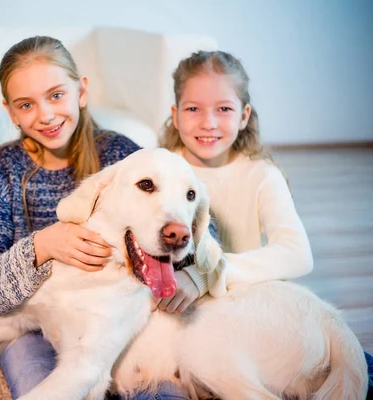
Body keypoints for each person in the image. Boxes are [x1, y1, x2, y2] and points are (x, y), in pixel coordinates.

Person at [0, 36, 189, 399]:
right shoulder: (1, 172)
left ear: (81, 91)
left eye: (55, 95)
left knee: (162, 393)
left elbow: (195, 225)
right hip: (31, 324)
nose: (46, 114)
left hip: (117, 319)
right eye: (26, 104)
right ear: (11, 112)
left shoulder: (123, 156)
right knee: (42, 386)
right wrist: (42, 245)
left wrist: (193, 276)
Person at [159, 49, 372, 395]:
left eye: (223, 109)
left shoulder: (261, 175)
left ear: (244, 116)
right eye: (193, 108)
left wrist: (206, 275)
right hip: (193, 313)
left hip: (250, 303)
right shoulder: (164, 171)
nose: (208, 122)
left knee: (354, 362)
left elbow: (297, 254)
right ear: (175, 114)